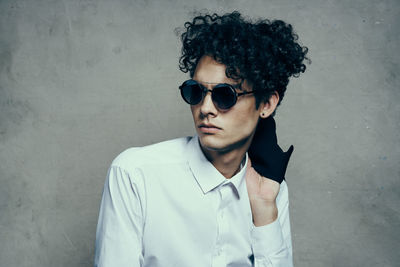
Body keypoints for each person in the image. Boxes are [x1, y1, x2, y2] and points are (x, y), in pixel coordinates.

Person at [94, 11, 309, 267]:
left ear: (266, 103)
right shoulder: (135, 174)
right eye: (195, 91)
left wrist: (264, 208)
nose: (205, 108)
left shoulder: (271, 189)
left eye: (225, 95)